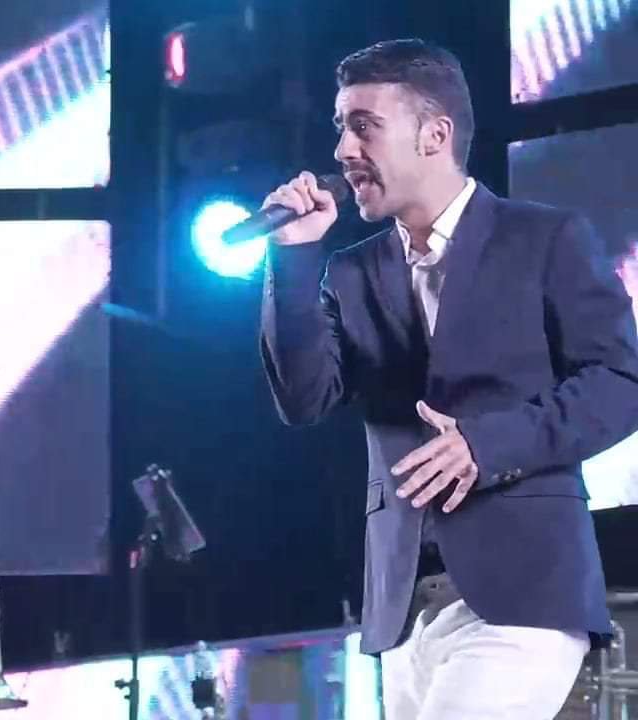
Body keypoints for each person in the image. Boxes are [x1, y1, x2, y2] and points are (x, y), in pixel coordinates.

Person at [259, 39, 638, 719]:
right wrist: (293, 258)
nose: (343, 149)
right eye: (341, 128)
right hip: (405, 606)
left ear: (434, 134)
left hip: (524, 593)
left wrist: (486, 446)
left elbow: (620, 382)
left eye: (364, 126)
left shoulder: (543, 239)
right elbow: (303, 399)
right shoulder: (350, 271)